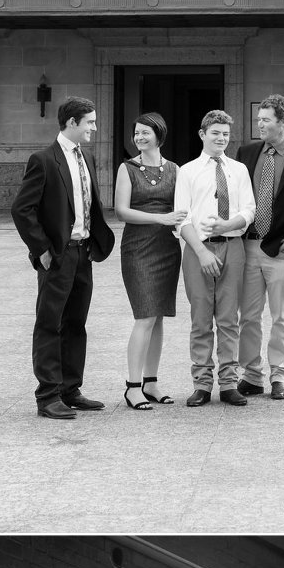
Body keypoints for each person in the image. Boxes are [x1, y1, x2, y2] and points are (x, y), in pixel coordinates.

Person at [11, 92, 114, 420]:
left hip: (84, 255)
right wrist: (41, 251)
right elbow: (21, 209)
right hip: (57, 256)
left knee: (76, 324)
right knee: (49, 325)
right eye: (90, 123)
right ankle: (48, 395)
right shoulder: (43, 160)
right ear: (72, 122)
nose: (94, 129)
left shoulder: (87, 158)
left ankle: (71, 389)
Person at [173, 108, 256, 407]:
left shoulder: (239, 169)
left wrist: (228, 225)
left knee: (228, 318)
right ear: (202, 134)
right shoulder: (187, 171)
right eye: (215, 133)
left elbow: (249, 210)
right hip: (198, 250)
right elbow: (182, 219)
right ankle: (202, 384)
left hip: (233, 248)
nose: (221, 138)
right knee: (200, 320)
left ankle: (229, 382)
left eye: (225, 134)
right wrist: (202, 251)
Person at [236, 93, 284, 399]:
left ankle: (280, 375)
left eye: (266, 120)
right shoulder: (246, 153)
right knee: (249, 316)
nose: (260, 125)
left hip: (281, 250)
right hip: (247, 246)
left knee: (282, 316)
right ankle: (252, 376)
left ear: (283, 122)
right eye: (259, 120)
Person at [113, 110, 185, 409]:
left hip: (167, 248)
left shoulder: (175, 169)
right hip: (138, 248)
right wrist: (162, 217)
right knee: (144, 316)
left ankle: (151, 382)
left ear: (159, 135)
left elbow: (183, 207)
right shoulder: (127, 168)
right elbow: (122, 211)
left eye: (145, 132)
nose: (139, 137)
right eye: (136, 133)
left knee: (158, 319)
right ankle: (132, 387)